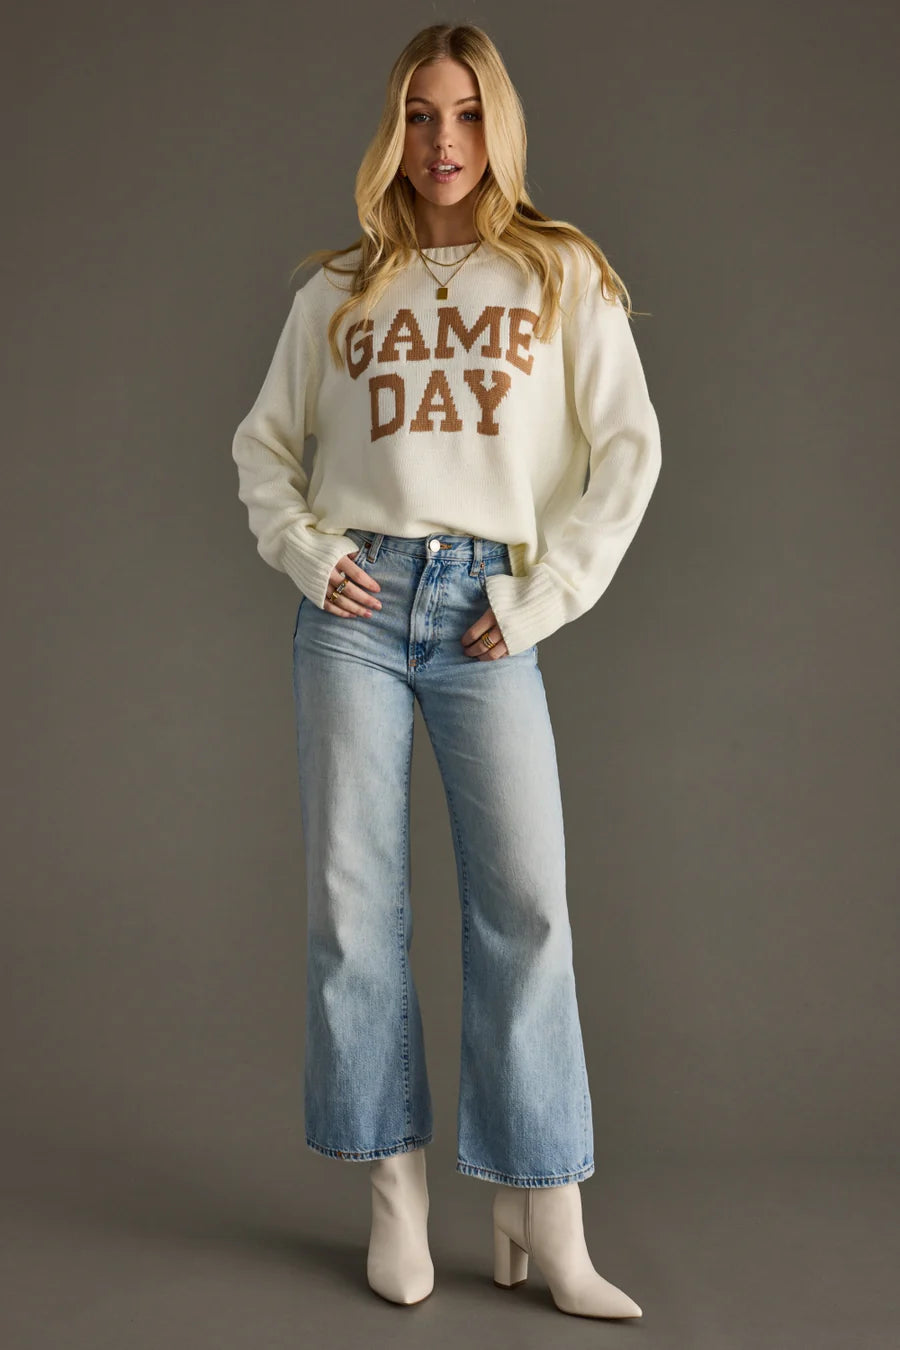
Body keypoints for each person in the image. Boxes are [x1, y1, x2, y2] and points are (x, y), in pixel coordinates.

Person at [231, 21, 660, 1319]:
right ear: (394, 128)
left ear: (499, 125)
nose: (443, 141)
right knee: (353, 909)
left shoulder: (559, 275)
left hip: (487, 609)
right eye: (420, 115)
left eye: (467, 113)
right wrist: (308, 554)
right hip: (356, 608)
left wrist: (542, 596)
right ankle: (397, 1202)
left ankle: (546, 1211)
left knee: (526, 904)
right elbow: (263, 448)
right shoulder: (337, 290)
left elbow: (628, 450)